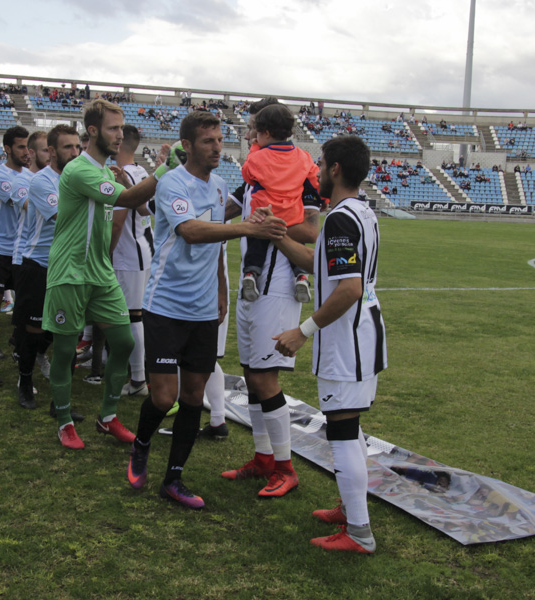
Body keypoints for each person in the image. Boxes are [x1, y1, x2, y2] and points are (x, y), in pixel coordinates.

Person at [126, 111, 286, 508]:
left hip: (201, 310)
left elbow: (215, 243)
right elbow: (192, 232)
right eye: (208, 141)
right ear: (187, 146)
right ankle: (142, 444)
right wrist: (248, 227)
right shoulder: (170, 183)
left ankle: (173, 480)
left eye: (219, 139)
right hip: (165, 304)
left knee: (195, 397)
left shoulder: (219, 187)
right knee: (165, 397)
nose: (217, 147)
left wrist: (219, 288)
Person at [41, 98, 181, 450]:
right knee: (64, 351)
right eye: (113, 129)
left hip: (101, 274)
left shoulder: (105, 171)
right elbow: (132, 198)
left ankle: (107, 418)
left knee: (124, 342)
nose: (120, 135)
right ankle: (64, 421)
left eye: (121, 128)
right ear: (93, 131)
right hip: (70, 273)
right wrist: (163, 170)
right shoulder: (80, 170)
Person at [268, 134, 385, 554]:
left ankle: (359, 533)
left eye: (320, 164)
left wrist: (304, 330)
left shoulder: (338, 219)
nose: (316, 172)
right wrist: (277, 234)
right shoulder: (361, 213)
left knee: (341, 430)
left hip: (347, 339)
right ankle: (350, 508)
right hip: (363, 333)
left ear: (335, 169)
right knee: (348, 429)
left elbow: (349, 288)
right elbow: (319, 266)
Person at [222, 97, 322, 498]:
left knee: (264, 376)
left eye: (252, 129)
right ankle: (264, 458)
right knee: (250, 374)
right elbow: (230, 210)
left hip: (279, 283)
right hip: (253, 281)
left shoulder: (303, 173)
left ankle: (285, 467)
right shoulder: (254, 173)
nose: (249, 136)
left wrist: (271, 228)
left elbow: (311, 232)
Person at [12, 124, 79, 412]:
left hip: (70, 268)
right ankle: (25, 382)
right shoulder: (42, 181)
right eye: (67, 147)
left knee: (68, 335)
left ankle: (59, 401)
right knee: (35, 331)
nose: (75, 153)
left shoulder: (79, 179)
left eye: (77, 147)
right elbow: (62, 215)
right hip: (40, 266)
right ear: (51, 151)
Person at [239, 103, 319, 305]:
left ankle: (250, 273)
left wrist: (256, 148)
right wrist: (323, 199)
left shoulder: (258, 156)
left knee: (256, 240)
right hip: (292, 212)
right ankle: (301, 276)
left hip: (264, 212)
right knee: (295, 244)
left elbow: (248, 174)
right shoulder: (303, 156)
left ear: (265, 132)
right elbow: (314, 179)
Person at [0, 126, 34, 385]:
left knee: (24, 305)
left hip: (22, 249)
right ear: (8, 148)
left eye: (28, 147)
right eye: (21, 147)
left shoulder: (33, 177)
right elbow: (26, 204)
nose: (26, 152)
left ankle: (17, 347)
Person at [110, 124, 153, 398]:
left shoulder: (120, 175)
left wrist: (104, 255)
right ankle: (134, 371)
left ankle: (138, 379)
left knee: (133, 317)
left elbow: (118, 222)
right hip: (141, 249)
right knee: (133, 316)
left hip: (128, 254)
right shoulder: (141, 173)